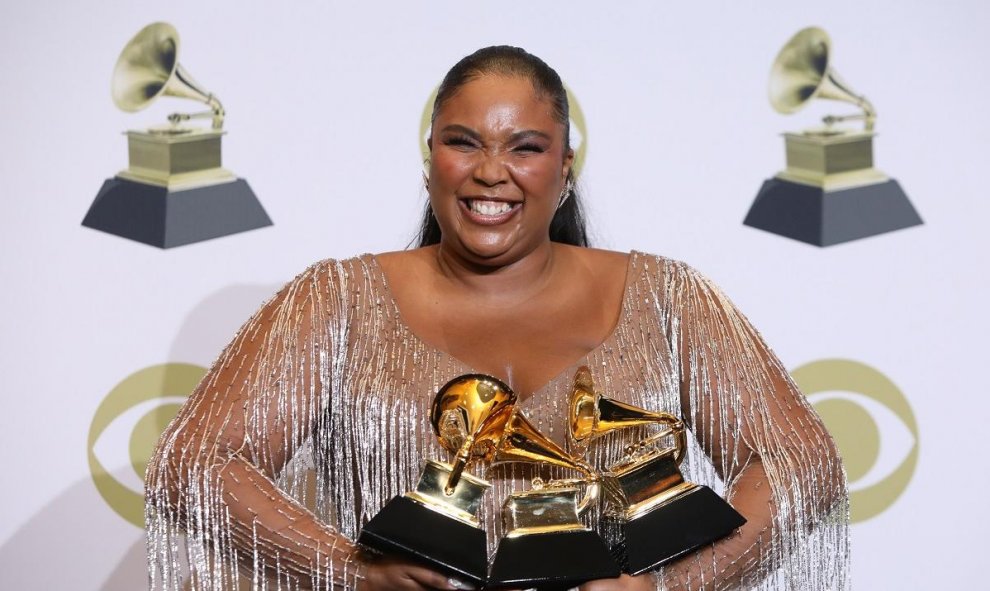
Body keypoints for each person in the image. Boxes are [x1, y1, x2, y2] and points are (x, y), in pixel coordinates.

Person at [146, 46, 849, 591]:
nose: (492, 171)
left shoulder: (668, 297)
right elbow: (194, 461)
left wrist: (673, 583)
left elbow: (801, 461)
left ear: (565, 167)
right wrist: (346, 569)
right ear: (430, 162)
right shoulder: (336, 301)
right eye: (464, 142)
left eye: (525, 147)